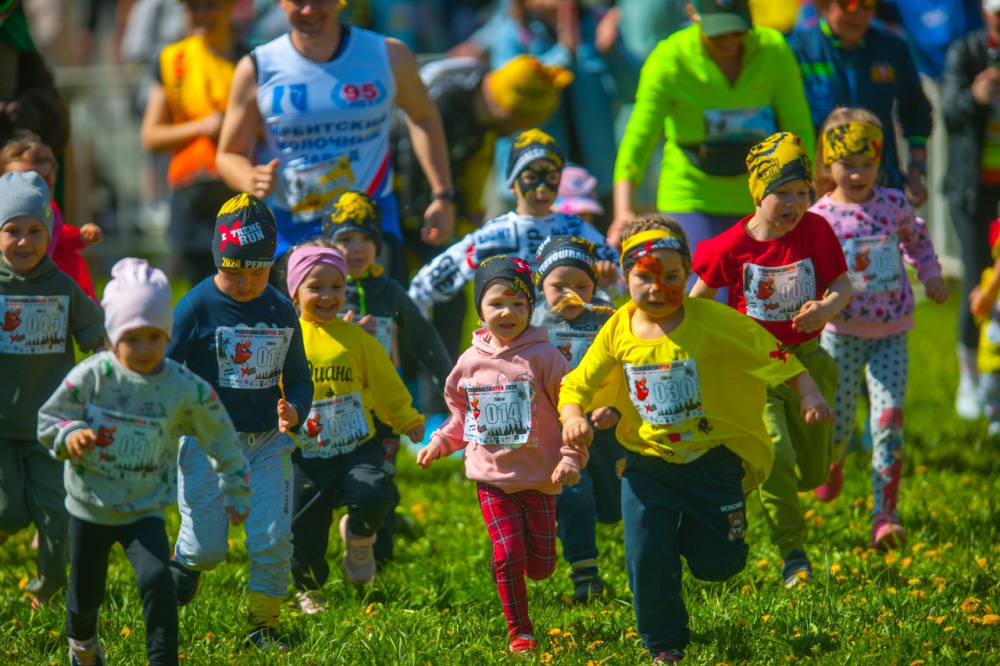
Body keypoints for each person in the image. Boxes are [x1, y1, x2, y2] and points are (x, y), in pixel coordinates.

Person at [559, 217, 832, 665]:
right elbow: (577, 384)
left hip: (713, 461)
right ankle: (663, 643)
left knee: (720, 563)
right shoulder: (618, 329)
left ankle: (685, 535)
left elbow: (771, 352)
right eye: (644, 277)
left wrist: (808, 390)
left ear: (688, 275)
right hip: (648, 463)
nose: (657, 287)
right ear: (626, 278)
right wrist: (572, 416)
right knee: (645, 556)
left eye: (671, 276)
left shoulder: (713, 321)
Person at [37, 258, 251, 666]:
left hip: (145, 509)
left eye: (155, 337)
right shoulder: (94, 375)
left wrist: (235, 487)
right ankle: (82, 648)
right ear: (114, 336)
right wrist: (69, 433)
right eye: (132, 338)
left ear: (167, 335)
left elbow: (220, 433)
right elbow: (50, 418)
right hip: (90, 506)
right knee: (85, 593)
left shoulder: (182, 387)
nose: (144, 348)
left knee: (157, 581)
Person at [690, 133, 851, 587]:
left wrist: (824, 308)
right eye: (783, 192)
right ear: (759, 193)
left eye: (803, 193)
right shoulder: (730, 246)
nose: (795, 203)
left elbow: (842, 284)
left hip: (811, 363)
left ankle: (784, 487)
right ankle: (792, 553)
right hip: (756, 368)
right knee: (775, 453)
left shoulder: (815, 231)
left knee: (812, 468)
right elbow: (696, 305)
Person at [415, 255, 587, 657]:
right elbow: (461, 416)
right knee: (508, 555)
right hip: (492, 478)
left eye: (518, 303)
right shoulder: (468, 363)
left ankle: (518, 566)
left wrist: (569, 458)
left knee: (542, 567)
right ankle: (520, 632)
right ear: (480, 309)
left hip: (542, 477)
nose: (508, 312)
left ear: (531, 308)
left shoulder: (546, 359)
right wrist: (440, 442)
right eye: (496, 303)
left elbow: (571, 413)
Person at [166, 193, 312, 651]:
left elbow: (300, 378)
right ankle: (185, 563)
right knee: (208, 550)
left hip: (268, 443)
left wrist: (296, 411)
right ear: (217, 259)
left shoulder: (281, 308)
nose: (247, 283)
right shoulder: (194, 307)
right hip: (207, 443)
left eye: (258, 271)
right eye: (234, 271)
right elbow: (162, 369)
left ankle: (262, 627)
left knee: (272, 538)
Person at [214, 0, 456, 272]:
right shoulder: (258, 67)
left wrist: (442, 195)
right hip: (296, 232)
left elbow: (423, 116)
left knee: (379, 315)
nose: (308, 10)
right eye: (298, 1)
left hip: (370, 226)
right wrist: (249, 177)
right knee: (306, 316)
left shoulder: (388, 55)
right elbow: (228, 155)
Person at [808, 109, 948, 550]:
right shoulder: (819, 217)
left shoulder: (892, 204)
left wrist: (930, 273)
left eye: (867, 164)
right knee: (840, 424)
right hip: (840, 335)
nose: (857, 173)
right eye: (847, 164)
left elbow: (917, 240)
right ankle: (833, 464)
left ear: (879, 161)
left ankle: (884, 514)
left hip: (891, 334)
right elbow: (806, 267)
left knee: (888, 421)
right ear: (828, 164)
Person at [610, 0, 815, 252]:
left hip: (761, 195)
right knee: (701, 290)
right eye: (718, 29)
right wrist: (623, 209)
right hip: (690, 195)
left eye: (737, 28)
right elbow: (639, 137)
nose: (728, 37)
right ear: (692, 12)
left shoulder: (774, 50)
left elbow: (798, 128)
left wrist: (807, 189)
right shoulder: (669, 57)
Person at [284, 243, 423, 610]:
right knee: (304, 524)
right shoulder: (288, 340)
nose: (328, 295)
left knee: (376, 492)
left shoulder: (358, 340)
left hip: (356, 444)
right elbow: (272, 388)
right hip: (307, 452)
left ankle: (360, 540)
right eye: (316, 287)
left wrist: (406, 417)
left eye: (337, 286)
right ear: (295, 291)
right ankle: (309, 586)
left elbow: (385, 382)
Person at [324, 191, 449, 564]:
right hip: (332, 408)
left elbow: (424, 339)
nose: (357, 249)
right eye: (345, 239)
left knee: (383, 478)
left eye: (366, 239)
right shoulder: (321, 293)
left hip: (384, 411)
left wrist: (452, 380)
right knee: (327, 483)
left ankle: (381, 554)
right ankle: (316, 550)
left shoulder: (388, 292)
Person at [0, 171, 105, 610]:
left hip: (53, 425)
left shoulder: (62, 286)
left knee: (56, 515)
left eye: (35, 231)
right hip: (2, 426)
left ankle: (49, 586)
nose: (24, 242)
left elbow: (96, 337)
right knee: (11, 513)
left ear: (49, 231)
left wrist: (116, 376)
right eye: (12, 231)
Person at [407, 128, 619, 321]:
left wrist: (606, 285)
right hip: (511, 347)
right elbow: (423, 288)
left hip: (567, 348)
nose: (542, 188)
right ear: (512, 184)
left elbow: (622, 277)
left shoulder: (576, 229)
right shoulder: (496, 233)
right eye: (531, 177)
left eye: (552, 177)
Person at [531, 234, 623, 604]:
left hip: (601, 424)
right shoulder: (530, 318)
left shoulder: (605, 314)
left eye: (581, 285)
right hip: (553, 426)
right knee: (574, 491)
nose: (570, 294)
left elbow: (628, 362)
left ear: (595, 284)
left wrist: (615, 405)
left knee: (612, 504)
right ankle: (585, 573)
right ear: (540, 285)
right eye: (559, 286)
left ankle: (559, 525)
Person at [490, 0, 641, 224]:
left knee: (599, 256)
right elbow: (510, 98)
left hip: (595, 182)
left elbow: (633, 92)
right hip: (532, 183)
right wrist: (564, 50)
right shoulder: (513, 32)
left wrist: (612, 53)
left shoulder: (595, 24)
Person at [787, 0, 932, 204]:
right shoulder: (798, 50)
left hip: (882, 185)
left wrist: (917, 170)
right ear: (825, 4)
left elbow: (916, 111)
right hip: (819, 192)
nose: (860, 14)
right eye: (849, 4)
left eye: (869, 4)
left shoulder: (892, 47)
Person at [139, 0, 241, 286]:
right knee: (204, 294)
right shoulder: (172, 59)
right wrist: (202, 127)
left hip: (242, 198)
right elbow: (151, 136)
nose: (202, 14)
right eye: (194, 7)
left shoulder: (251, 59)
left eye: (211, 5)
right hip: (193, 199)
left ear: (231, 7)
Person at [942, 1, 1000, 419]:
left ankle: (993, 378)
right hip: (972, 191)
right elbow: (946, 111)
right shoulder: (966, 50)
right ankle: (969, 379)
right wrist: (975, 97)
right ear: (985, 11)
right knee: (979, 279)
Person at [0, 130, 103, 300]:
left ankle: (76, 313)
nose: (36, 190)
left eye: (45, 182)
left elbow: (58, 232)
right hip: (12, 282)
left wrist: (79, 236)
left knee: (73, 266)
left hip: (48, 278)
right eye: (23, 180)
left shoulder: (50, 210)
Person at [970, 217, 1000, 438]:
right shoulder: (988, 279)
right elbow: (979, 308)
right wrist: (980, 298)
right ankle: (994, 424)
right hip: (992, 353)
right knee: (991, 391)